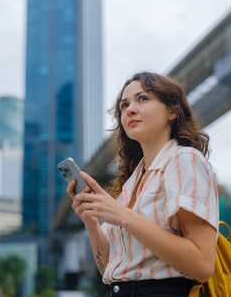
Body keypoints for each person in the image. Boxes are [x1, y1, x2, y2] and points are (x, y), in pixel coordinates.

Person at [66, 72, 219, 297]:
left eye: (143, 99)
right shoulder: (131, 183)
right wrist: (90, 221)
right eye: (124, 105)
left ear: (172, 110)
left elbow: (202, 265)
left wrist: (122, 216)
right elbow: (110, 267)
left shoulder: (184, 160)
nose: (130, 109)